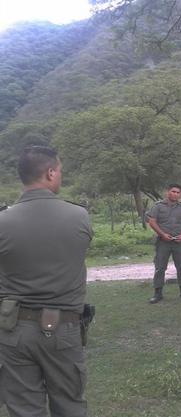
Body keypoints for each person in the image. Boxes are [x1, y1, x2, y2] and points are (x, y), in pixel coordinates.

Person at [0, 146, 93, 417]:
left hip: (14, 329)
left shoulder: (2, 220)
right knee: (70, 405)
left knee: (24, 409)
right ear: (50, 172)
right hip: (64, 328)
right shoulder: (79, 216)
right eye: (60, 171)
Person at [146, 183, 181, 304]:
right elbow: (152, 221)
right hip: (163, 242)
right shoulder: (158, 206)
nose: (175, 194)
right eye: (173, 191)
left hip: (179, 241)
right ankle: (158, 293)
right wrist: (162, 234)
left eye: (178, 192)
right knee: (160, 267)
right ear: (168, 192)